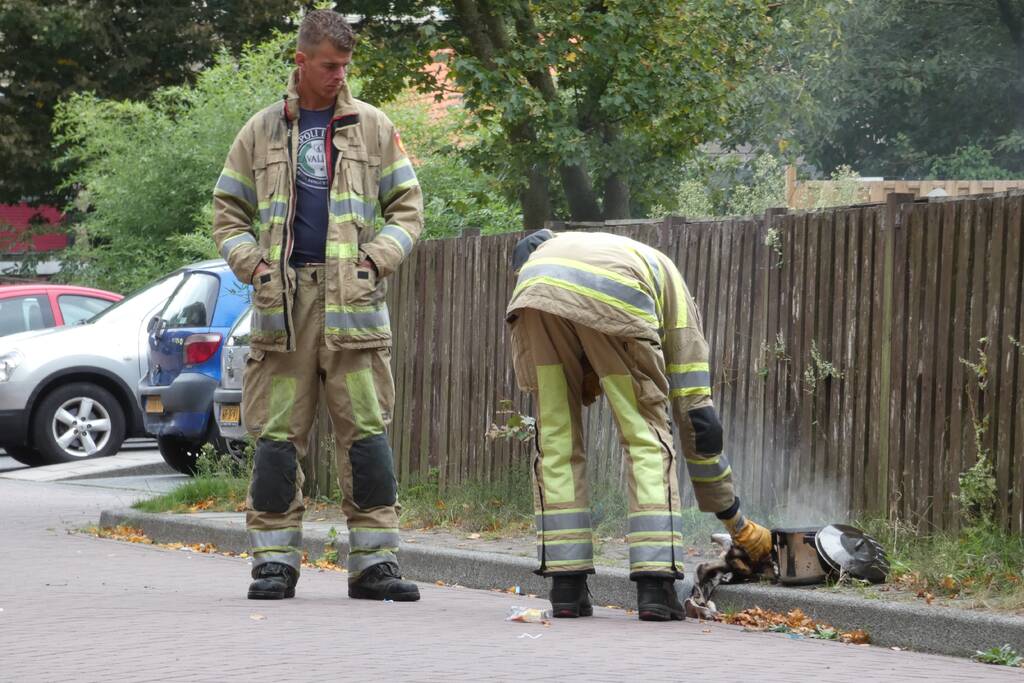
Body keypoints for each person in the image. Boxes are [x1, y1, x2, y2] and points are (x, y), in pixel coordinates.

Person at [212, 10, 423, 602]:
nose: (339, 76)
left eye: (345, 66)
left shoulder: (373, 127)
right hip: (283, 309)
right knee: (277, 440)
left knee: (368, 438)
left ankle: (375, 565)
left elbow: (409, 209)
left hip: (354, 305)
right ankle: (274, 564)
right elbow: (227, 214)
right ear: (301, 61)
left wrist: (375, 260)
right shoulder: (260, 131)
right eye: (330, 65)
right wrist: (254, 265)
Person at [506, 229, 772, 621]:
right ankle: (655, 587)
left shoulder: (552, 255)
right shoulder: (665, 284)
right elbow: (699, 419)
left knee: (556, 437)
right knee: (645, 435)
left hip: (532, 296)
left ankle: (566, 588)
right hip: (615, 297)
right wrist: (733, 516)